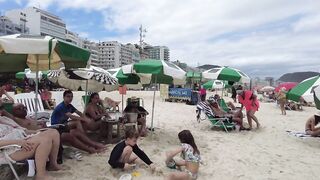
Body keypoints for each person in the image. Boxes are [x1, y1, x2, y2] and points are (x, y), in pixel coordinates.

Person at [0, 115, 61, 180]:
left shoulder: (5, 119)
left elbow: (22, 130)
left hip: (23, 139)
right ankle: (40, 175)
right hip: (8, 149)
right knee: (45, 140)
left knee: (53, 132)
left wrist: (36, 132)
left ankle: (53, 164)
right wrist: (18, 142)